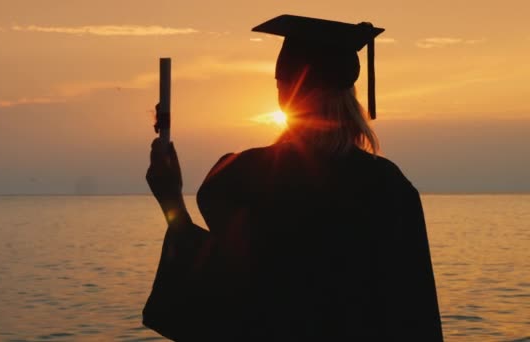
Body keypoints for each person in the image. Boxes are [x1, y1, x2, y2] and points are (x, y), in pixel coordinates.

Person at [143, 14, 443, 341]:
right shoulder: (393, 190)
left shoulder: (248, 179)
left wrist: (170, 199)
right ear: (349, 95)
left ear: (285, 96)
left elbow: (215, 301)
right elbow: (418, 313)